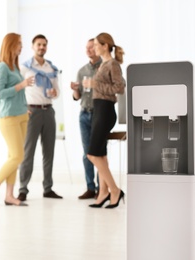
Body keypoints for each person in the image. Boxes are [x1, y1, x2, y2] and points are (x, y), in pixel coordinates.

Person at [0, 33, 35, 207]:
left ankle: (9, 195)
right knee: (17, 156)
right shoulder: (2, 68)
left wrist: (25, 108)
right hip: (8, 117)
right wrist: (21, 85)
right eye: (19, 44)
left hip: (22, 115)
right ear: (10, 45)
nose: (21, 47)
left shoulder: (15, 67)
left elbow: (18, 93)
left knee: (13, 156)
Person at [17, 34, 63, 201]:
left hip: (48, 111)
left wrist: (54, 93)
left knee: (48, 152)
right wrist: (23, 109)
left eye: (44, 45)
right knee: (27, 152)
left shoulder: (51, 69)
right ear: (33, 46)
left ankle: (48, 188)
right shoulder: (25, 68)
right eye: (39, 44)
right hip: (32, 112)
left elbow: (57, 92)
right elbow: (17, 89)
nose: (41, 47)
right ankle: (22, 189)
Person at [87, 32, 126, 208]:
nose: (94, 48)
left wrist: (95, 85)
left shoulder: (113, 64)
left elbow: (120, 88)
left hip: (105, 110)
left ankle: (115, 190)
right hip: (98, 109)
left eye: (96, 45)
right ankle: (103, 193)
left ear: (105, 46)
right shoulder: (102, 65)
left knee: (92, 154)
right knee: (100, 155)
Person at [70, 38, 102, 199]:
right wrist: (75, 90)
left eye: (92, 47)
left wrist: (97, 85)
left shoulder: (105, 67)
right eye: (87, 48)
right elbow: (77, 97)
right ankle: (91, 187)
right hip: (84, 113)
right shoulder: (82, 71)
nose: (89, 50)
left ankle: (102, 189)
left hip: (99, 113)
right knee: (87, 153)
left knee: (99, 153)